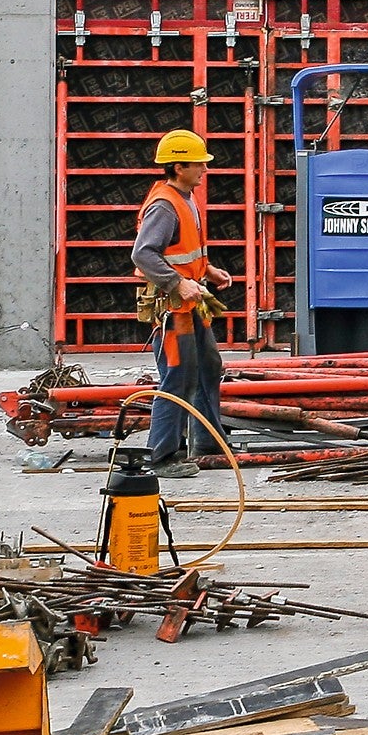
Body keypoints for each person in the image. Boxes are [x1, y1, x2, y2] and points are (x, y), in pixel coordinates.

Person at [135, 128, 238, 475]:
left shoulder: (185, 197)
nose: (204, 170)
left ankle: (208, 442)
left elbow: (180, 251)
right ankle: (162, 456)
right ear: (179, 166)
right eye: (198, 164)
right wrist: (178, 283)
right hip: (172, 307)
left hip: (190, 303)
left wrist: (207, 270)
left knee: (208, 367)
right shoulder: (164, 205)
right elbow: (144, 254)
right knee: (177, 377)